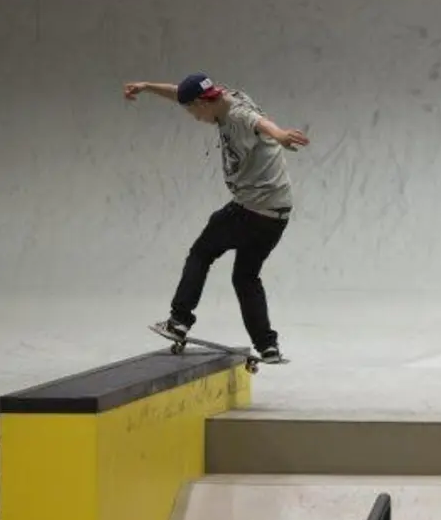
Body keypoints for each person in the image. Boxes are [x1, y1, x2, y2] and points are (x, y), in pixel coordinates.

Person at [124, 73, 309, 363]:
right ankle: (267, 346)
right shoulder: (223, 97)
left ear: (202, 103)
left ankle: (179, 320)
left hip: (250, 210)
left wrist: (280, 134)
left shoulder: (237, 114)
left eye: (192, 112)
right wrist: (147, 87)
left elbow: (257, 122)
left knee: (201, 252)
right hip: (277, 215)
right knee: (246, 277)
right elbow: (179, 92)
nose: (195, 118)